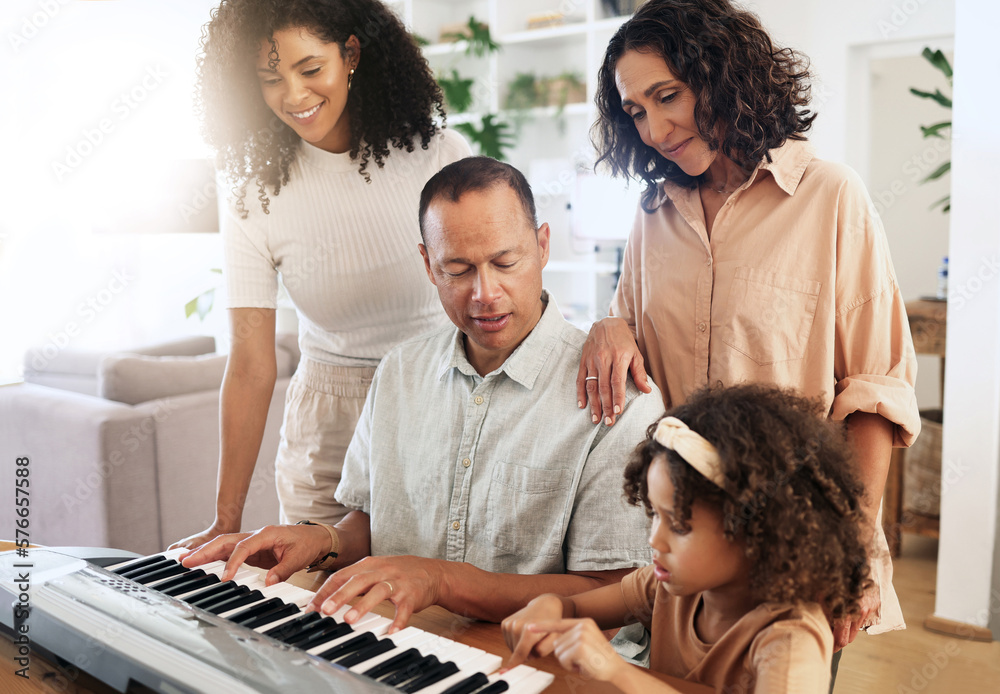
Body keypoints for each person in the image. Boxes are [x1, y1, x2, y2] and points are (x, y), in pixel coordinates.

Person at [181, 156, 665, 633]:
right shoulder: (399, 372)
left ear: (542, 246)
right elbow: (371, 522)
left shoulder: (616, 397)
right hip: (400, 640)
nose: (484, 293)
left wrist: (441, 581)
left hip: (541, 659)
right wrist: (320, 540)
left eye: (505, 261)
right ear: (428, 266)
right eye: (457, 269)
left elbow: (618, 592)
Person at [575, 0, 920, 660]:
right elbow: (629, 328)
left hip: (793, 553)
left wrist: (851, 557)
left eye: (667, 96)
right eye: (636, 111)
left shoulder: (830, 197)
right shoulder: (652, 216)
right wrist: (607, 323)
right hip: (684, 555)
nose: (654, 128)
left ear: (722, 73)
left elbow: (874, 394)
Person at [172, 0, 472, 549]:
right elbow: (250, 364)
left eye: (310, 69)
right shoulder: (250, 195)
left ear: (351, 54)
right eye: (270, 78)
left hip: (439, 405)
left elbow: (495, 292)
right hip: (327, 427)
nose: (294, 95)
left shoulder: (438, 156)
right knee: (318, 610)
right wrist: (226, 517)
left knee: (435, 611)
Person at [503, 384, 872, 693]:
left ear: (758, 532)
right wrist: (550, 606)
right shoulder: (667, 588)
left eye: (678, 526)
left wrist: (618, 673)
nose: (655, 540)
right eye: (655, 515)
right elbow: (574, 609)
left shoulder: (790, 640)